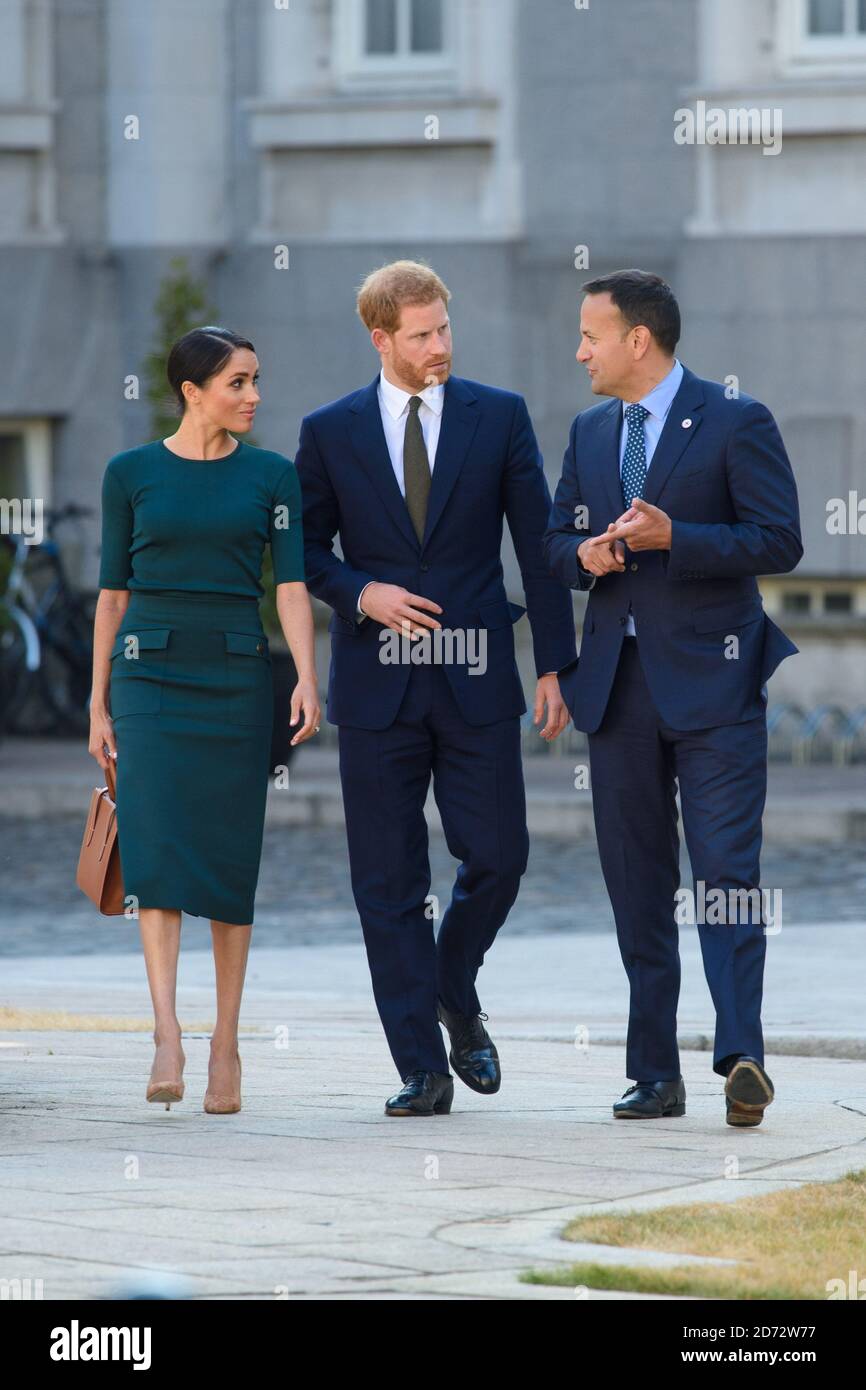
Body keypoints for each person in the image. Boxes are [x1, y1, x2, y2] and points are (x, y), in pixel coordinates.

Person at [295, 260, 577, 1116]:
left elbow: (538, 545)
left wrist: (554, 664)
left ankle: (454, 982)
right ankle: (420, 1064)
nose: (439, 347)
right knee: (386, 883)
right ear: (381, 338)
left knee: (499, 856)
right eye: (420, 335)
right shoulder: (330, 429)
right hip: (376, 687)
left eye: (444, 329)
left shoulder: (500, 416)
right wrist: (359, 592)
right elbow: (301, 552)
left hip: (478, 674)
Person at [543, 270, 803, 1127]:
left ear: (638, 340)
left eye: (591, 335)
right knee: (637, 884)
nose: (579, 351)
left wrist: (673, 537)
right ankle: (654, 1071)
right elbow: (554, 538)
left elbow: (779, 539)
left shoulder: (736, 420)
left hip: (719, 689)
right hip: (616, 696)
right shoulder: (588, 432)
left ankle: (742, 1055)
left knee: (727, 874)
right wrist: (584, 555)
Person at [89, 326, 320, 1115]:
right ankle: (166, 1031)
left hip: (233, 675)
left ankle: (226, 1041)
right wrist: (96, 701)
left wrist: (307, 679)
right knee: (153, 847)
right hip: (146, 674)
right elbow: (112, 595)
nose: (254, 395)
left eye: (256, 380)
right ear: (192, 392)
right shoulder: (130, 474)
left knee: (227, 856)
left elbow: (289, 586)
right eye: (238, 383)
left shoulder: (274, 477)